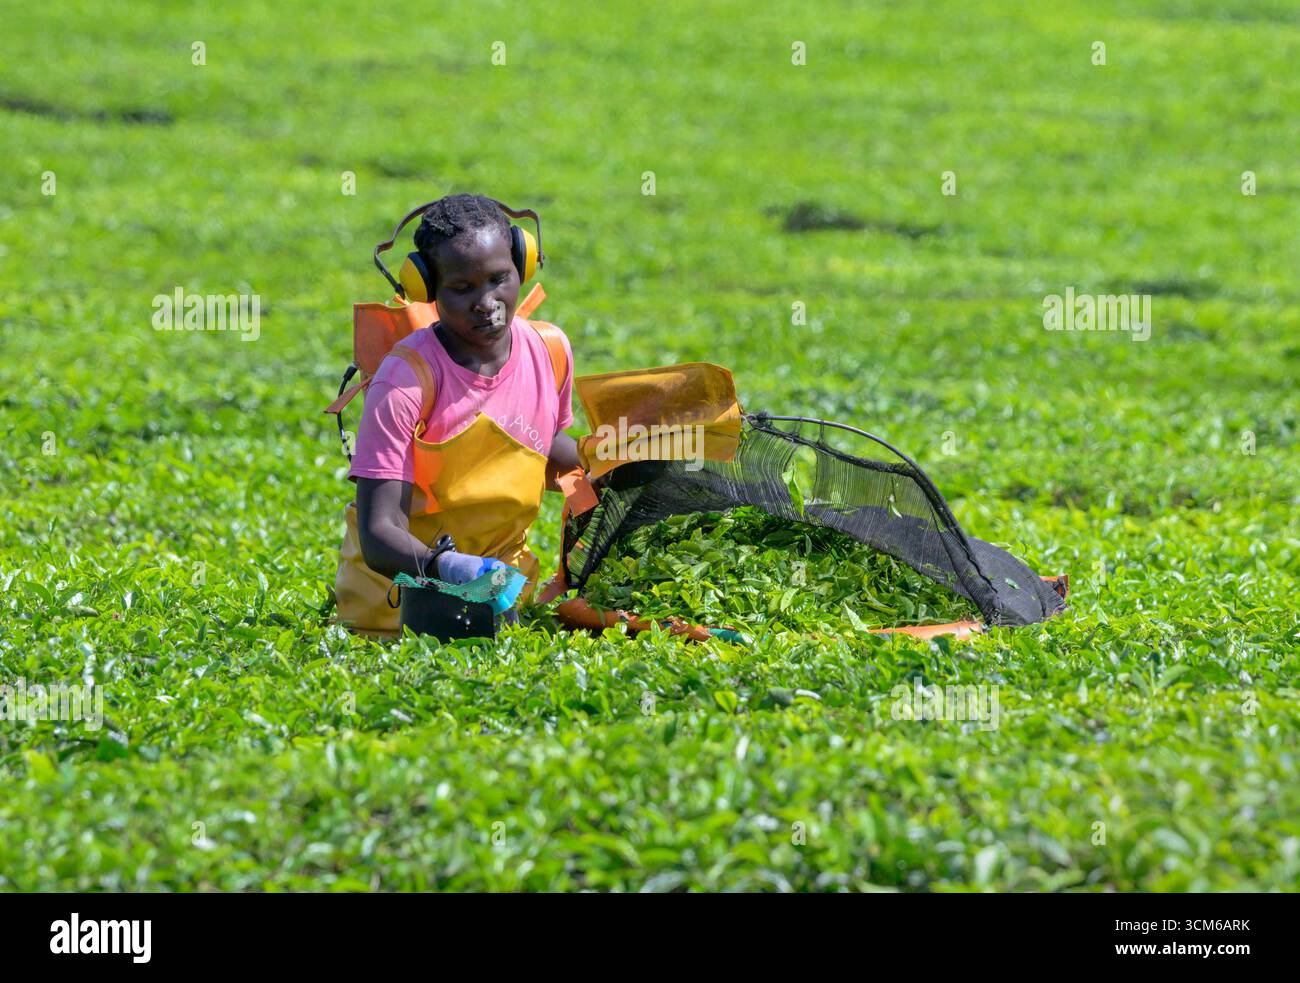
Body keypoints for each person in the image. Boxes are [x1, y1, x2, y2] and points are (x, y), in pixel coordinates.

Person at [334, 193, 579, 633]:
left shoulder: (549, 350)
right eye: (463, 289)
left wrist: (613, 461)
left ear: (522, 264)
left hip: (508, 600)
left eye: (499, 279)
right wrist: (450, 568)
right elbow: (379, 533)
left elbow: (541, 443)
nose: (487, 302)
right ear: (428, 289)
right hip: (400, 612)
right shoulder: (405, 380)